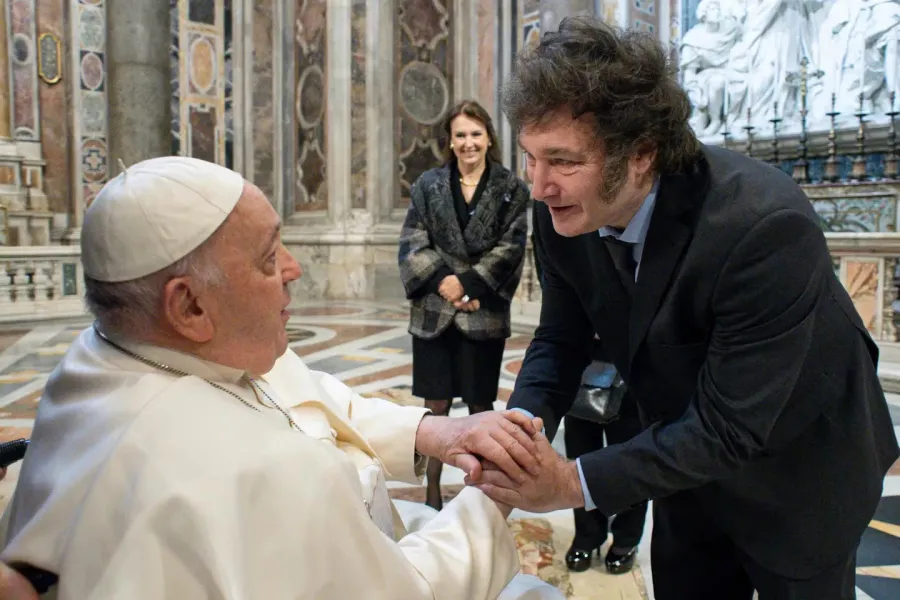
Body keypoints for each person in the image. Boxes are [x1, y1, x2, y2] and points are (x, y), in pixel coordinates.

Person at [466, 17, 900, 599]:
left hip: (799, 477)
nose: (539, 185)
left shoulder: (762, 226)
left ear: (641, 154)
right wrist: (518, 433)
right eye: (530, 157)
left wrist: (570, 482)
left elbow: (730, 427)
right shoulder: (558, 213)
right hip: (682, 467)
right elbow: (561, 337)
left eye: (563, 161)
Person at [0, 156, 564, 599]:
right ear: (190, 307)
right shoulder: (259, 473)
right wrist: (492, 497)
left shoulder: (112, 352)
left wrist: (435, 432)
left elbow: (302, 394)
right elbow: (414, 589)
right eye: (269, 258)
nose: (294, 269)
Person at [399, 100, 530, 510]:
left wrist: (471, 287)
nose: (468, 143)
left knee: (480, 406)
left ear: (489, 137)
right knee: (434, 408)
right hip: (435, 314)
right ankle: (433, 491)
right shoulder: (427, 186)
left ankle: (479, 491)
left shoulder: (511, 188)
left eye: (475, 134)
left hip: (483, 313)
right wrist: (447, 286)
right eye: (460, 135)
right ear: (449, 141)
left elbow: (511, 248)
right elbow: (411, 242)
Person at [563, 340, 647, 575]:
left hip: (633, 375)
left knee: (632, 462)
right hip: (581, 374)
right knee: (579, 463)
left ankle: (626, 539)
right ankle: (587, 535)